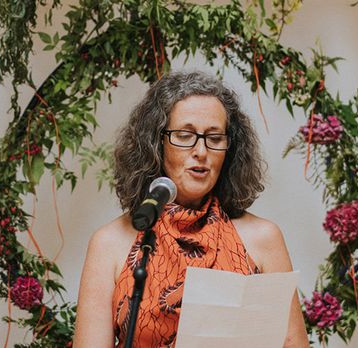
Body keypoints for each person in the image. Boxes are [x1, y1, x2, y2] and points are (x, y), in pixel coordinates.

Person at [73, 70, 308, 347]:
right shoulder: (110, 243)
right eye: (184, 135)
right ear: (156, 143)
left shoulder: (264, 239)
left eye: (215, 137)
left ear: (230, 149)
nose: (201, 151)